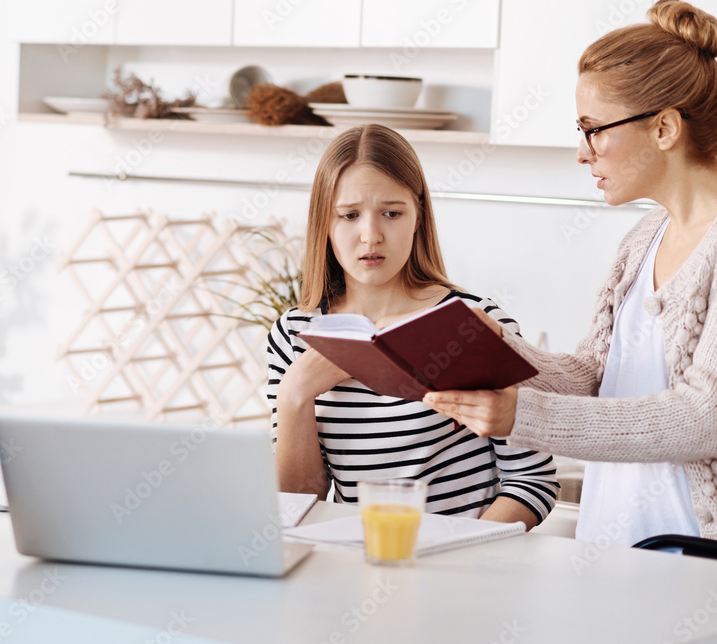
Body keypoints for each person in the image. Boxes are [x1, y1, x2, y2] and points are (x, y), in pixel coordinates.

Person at [423, 0, 717, 546]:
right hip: (613, 545)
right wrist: (502, 352)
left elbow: (703, 418)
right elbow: (596, 375)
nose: (583, 154)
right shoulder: (642, 239)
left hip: (694, 558)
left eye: (593, 129)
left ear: (665, 128)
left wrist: (525, 416)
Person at [267, 124, 558, 528]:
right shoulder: (292, 334)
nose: (371, 236)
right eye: (349, 215)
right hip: (359, 565)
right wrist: (294, 393)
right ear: (324, 224)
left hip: (467, 573)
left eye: (392, 213)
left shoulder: (474, 323)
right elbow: (300, 504)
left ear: (418, 216)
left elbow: (532, 481)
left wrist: (461, 553)